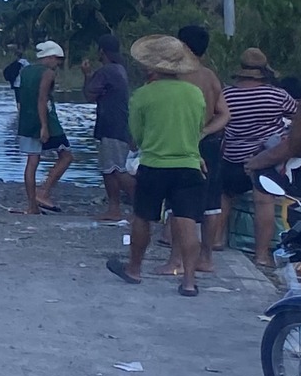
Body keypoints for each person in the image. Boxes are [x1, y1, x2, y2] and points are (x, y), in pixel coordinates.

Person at [108, 36, 209, 296]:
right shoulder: (195, 93)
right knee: (187, 222)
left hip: (154, 164)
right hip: (188, 164)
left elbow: (137, 136)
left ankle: (134, 269)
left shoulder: (143, 94)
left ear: (152, 66)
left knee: (143, 217)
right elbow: (197, 129)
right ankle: (188, 281)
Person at [221, 47, 298, 269]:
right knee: (263, 202)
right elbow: (297, 115)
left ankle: (217, 242)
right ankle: (261, 255)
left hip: (232, 156)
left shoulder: (227, 94)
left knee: (225, 196)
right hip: (264, 158)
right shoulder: (277, 94)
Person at [174, 24, 234, 256]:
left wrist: (198, 133)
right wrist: (207, 131)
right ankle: (206, 257)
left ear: (182, 46)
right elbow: (225, 114)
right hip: (209, 143)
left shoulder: (180, 75)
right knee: (210, 203)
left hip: (185, 141)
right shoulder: (210, 75)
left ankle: (177, 258)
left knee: (180, 201)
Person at [17, 41, 73, 215]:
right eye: (57, 59)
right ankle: (44, 191)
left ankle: (32, 204)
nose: (58, 63)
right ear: (49, 57)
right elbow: (42, 99)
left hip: (26, 120)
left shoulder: (25, 71)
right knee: (66, 156)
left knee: (32, 161)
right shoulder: (48, 73)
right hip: (45, 119)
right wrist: (44, 126)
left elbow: (21, 97)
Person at [86, 34, 135, 223]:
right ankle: (115, 209)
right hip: (119, 125)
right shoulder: (119, 69)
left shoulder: (106, 71)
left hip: (111, 126)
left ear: (102, 51)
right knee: (112, 168)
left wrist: (86, 75)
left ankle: (140, 206)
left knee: (114, 170)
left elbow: (89, 94)